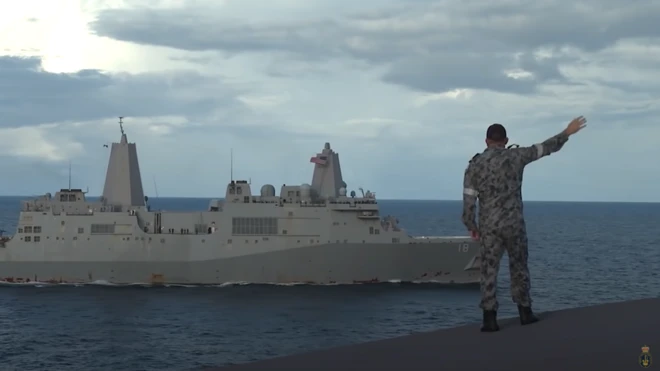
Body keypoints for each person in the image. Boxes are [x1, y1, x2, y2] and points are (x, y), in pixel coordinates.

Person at [462, 116, 587, 332]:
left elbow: (468, 202)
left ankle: (489, 319)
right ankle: (525, 312)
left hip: (490, 228)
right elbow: (545, 148)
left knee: (488, 271)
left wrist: (472, 226)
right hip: (514, 225)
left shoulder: (475, 165)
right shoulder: (516, 156)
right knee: (519, 267)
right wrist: (567, 132)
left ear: (486, 141)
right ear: (506, 139)